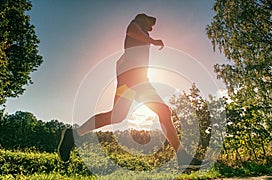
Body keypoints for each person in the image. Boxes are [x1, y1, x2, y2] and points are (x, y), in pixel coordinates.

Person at [58, 13, 202, 171]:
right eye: (150, 23)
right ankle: (182, 157)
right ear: (143, 18)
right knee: (163, 111)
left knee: (117, 116)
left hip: (133, 80)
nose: (151, 28)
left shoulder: (137, 39)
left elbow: (119, 61)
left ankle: (75, 134)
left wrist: (121, 77)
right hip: (135, 80)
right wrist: (153, 41)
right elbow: (131, 31)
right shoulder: (136, 24)